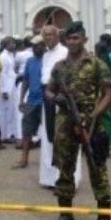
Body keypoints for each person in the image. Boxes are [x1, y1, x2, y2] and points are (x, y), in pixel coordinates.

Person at [45, 22, 111, 220]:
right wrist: (56, 98)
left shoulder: (96, 64)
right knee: (64, 168)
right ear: (65, 41)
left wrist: (93, 115)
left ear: (84, 39)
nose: (73, 42)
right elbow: (48, 90)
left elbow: (109, 94)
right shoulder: (59, 67)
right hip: (65, 123)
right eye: (69, 38)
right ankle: (66, 215)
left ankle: (104, 217)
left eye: (77, 38)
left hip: (92, 123)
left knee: (97, 168)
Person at [40, 24, 72, 188]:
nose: (47, 38)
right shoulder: (46, 55)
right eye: (44, 35)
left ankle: (63, 177)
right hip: (47, 97)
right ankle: (49, 178)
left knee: (61, 137)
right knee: (48, 136)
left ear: (57, 36)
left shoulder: (65, 53)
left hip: (61, 99)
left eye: (50, 35)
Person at [14, 35, 46, 169]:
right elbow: (25, 80)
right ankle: (24, 158)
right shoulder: (30, 61)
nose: (34, 48)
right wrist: (22, 99)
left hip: (45, 102)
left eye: (37, 46)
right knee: (26, 130)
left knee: (48, 133)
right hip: (32, 101)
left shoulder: (48, 61)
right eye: (33, 46)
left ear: (43, 46)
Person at [0, 36, 18, 145]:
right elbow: (2, 74)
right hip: (6, 87)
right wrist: (4, 90)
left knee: (11, 111)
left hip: (12, 85)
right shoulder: (3, 57)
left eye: (14, 43)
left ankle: (11, 133)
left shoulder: (11, 55)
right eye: (11, 43)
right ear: (5, 45)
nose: (13, 45)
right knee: (6, 112)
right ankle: (6, 135)